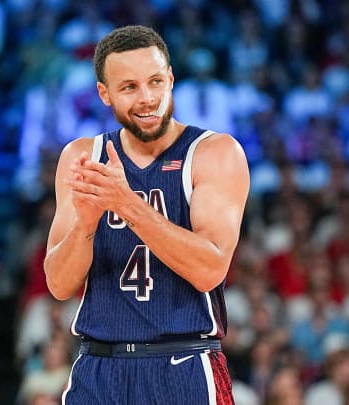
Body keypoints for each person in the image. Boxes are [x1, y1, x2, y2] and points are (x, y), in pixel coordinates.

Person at [44, 25, 250, 404]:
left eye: (156, 82)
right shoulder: (82, 157)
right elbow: (58, 284)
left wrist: (127, 204)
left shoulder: (214, 154)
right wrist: (87, 226)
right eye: (129, 87)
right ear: (104, 94)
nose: (147, 98)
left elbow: (210, 269)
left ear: (171, 79)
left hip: (184, 363)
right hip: (99, 367)